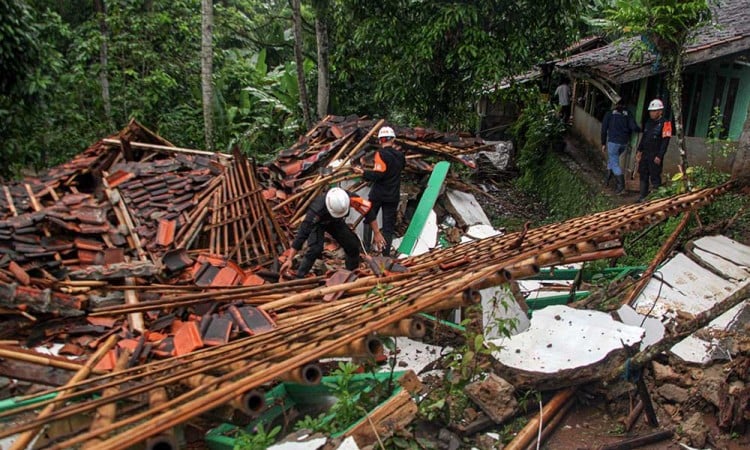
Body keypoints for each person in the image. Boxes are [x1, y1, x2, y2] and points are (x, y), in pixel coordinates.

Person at [279, 187, 385, 278]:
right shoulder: (316, 210)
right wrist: (289, 259)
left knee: (352, 245)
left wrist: (377, 233)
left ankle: (351, 274)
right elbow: (302, 234)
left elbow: (368, 211)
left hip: (335, 222)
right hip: (319, 224)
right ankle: (300, 276)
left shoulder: (351, 198)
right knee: (315, 249)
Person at [352, 126, 405, 256]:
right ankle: (386, 255)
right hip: (393, 195)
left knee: (369, 219)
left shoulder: (380, 154)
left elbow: (378, 175)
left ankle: (366, 248)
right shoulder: (401, 156)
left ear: (380, 140)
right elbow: (397, 170)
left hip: (378, 194)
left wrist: (363, 172)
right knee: (388, 227)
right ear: (393, 140)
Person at [636, 99, 672, 202]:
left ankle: (656, 199)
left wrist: (660, 156)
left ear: (660, 111)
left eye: (654, 111)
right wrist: (639, 150)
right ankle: (642, 197)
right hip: (645, 153)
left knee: (655, 176)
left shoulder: (666, 124)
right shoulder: (648, 123)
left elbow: (665, 142)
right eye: (651, 111)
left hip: (655, 155)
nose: (652, 113)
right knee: (643, 174)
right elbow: (644, 137)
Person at [601, 99, 640, 194]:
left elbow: (604, 129)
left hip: (613, 142)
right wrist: (641, 129)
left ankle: (621, 186)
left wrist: (603, 143)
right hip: (624, 143)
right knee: (612, 159)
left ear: (615, 104)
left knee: (614, 163)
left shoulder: (609, 114)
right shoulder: (628, 114)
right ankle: (607, 179)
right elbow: (634, 127)